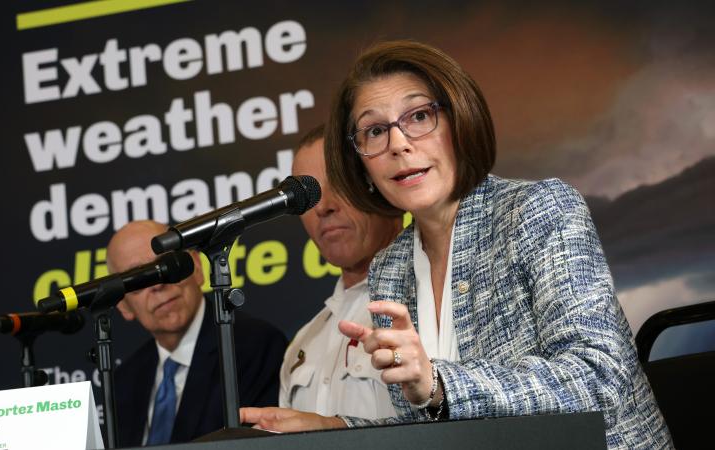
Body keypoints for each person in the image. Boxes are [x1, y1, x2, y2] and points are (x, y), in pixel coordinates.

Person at [241, 40, 671, 449]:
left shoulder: (538, 209)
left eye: (419, 117)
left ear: (459, 120)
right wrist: (332, 428)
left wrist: (439, 382)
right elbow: (426, 423)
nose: (398, 144)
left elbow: (599, 379)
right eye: (374, 131)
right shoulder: (390, 268)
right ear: (360, 163)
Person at [108, 220, 287, 446]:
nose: (157, 285)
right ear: (123, 305)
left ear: (197, 267)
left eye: (166, 264)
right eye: (137, 279)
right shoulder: (124, 381)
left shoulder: (253, 347)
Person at [279, 125, 401, 419]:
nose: (322, 207)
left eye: (339, 183)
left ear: (382, 186)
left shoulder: (433, 305)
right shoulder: (303, 342)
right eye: (307, 197)